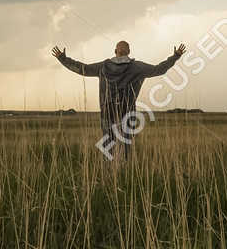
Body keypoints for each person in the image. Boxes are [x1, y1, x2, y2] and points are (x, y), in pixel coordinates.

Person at [51, 40, 185, 162]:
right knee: (125, 145)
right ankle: (124, 174)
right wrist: (175, 56)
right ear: (129, 52)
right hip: (127, 113)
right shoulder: (137, 67)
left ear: (115, 51)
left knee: (108, 146)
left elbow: (82, 69)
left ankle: (109, 175)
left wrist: (62, 59)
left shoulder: (103, 67)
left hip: (107, 112)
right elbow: (159, 69)